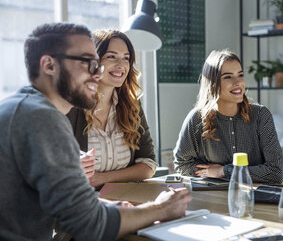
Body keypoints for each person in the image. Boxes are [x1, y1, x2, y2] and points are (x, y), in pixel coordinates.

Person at [0, 22, 191, 241]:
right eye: (87, 62)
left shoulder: (26, 108)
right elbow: (89, 224)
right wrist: (161, 209)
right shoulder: (41, 118)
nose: (97, 71)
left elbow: (65, 201)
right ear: (49, 66)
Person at [173, 49, 283, 183]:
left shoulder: (260, 115)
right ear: (212, 84)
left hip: (255, 197)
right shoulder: (197, 118)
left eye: (240, 75)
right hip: (213, 197)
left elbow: (276, 173)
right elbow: (182, 164)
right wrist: (209, 172)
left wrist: (223, 171)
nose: (238, 82)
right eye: (228, 77)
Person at [67, 29, 157, 188]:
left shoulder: (131, 105)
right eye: (111, 56)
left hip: (124, 199)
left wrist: (102, 178)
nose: (121, 65)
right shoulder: (70, 107)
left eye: (126, 58)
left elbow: (148, 164)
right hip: (82, 203)